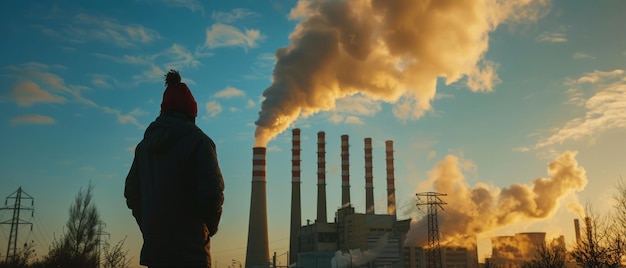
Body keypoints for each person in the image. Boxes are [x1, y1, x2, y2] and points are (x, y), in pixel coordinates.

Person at [125, 70, 225, 268]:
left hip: (156, 254)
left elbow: (131, 193)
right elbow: (213, 192)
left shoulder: (144, 147)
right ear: (191, 112)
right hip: (190, 254)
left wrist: (149, 229)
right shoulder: (199, 142)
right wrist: (208, 229)